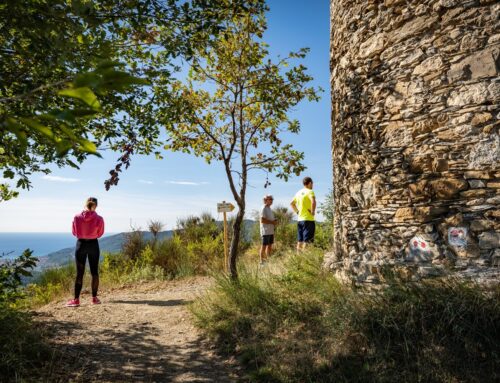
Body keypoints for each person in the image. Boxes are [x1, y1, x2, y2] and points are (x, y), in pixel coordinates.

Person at [66, 197, 105, 307]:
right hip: (93, 245)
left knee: (80, 273)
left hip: (81, 245)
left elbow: (74, 232)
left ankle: (76, 300)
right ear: (96, 205)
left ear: (85, 204)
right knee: (94, 272)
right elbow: (100, 233)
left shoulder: (76, 217)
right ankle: (94, 298)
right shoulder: (99, 218)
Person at [290, 177, 316, 252]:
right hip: (308, 219)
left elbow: (292, 204)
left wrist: (297, 212)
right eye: (312, 183)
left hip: (300, 220)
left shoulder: (298, 193)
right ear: (310, 183)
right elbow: (313, 201)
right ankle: (305, 259)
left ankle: (298, 259)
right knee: (307, 241)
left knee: (300, 241)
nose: (312, 185)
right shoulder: (310, 191)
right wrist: (313, 211)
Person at [259, 195, 278, 265]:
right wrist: (272, 222)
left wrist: (274, 221)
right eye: (270, 199)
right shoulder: (263, 208)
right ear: (265, 200)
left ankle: (268, 260)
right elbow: (262, 220)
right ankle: (262, 262)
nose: (271, 200)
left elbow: (269, 219)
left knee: (269, 246)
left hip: (270, 230)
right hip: (265, 231)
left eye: (272, 199)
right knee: (264, 246)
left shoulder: (269, 208)